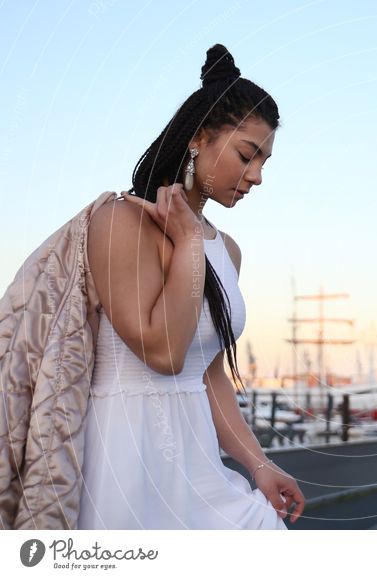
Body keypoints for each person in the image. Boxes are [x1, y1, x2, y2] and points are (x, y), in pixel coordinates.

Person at [77, 44, 304, 529]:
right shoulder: (118, 221)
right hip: (125, 463)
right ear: (200, 137)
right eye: (248, 155)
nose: (258, 177)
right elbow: (163, 353)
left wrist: (259, 464)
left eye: (265, 162)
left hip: (199, 464)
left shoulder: (227, 249)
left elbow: (208, 374)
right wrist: (186, 244)